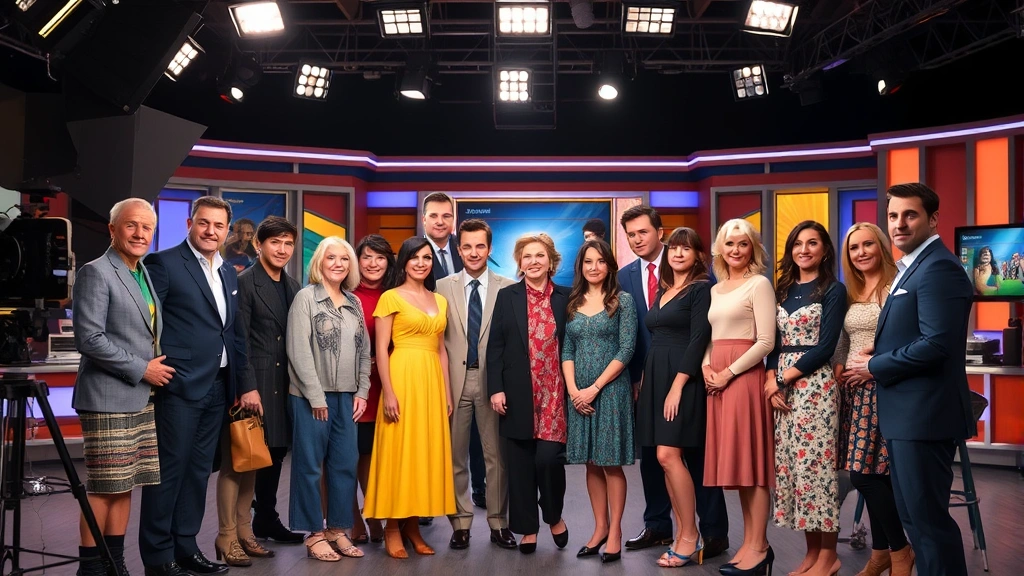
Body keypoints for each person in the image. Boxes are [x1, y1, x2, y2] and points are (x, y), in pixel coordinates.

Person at [847, 183, 975, 576]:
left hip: (925, 416)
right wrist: (879, 353)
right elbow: (915, 335)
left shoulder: (938, 267)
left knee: (929, 526)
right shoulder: (914, 266)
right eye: (892, 216)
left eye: (910, 215)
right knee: (917, 524)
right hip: (905, 417)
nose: (899, 224)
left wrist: (876, 365)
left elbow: (937, 343)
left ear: (933, 219)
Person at [140, 196, 254, 576]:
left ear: (227, 230)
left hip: (220, 386)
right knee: (170, 471)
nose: (211, 231)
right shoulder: (165, 263)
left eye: (219, 226)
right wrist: (147, 365)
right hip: (179, 384)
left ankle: (186, 549)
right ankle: (158, 558)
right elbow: (145, 322)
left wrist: (243, 383)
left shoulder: (227, 271)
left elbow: (234, 332)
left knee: (198, 472)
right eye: (204, 223)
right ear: (190, 223)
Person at [618, 206, 729, 557]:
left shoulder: (699, 278)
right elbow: (632, 332)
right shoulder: (625, 277)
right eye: (631, 234)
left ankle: (711, 532)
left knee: (693, 456)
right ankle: (659, 526)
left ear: (659, 232)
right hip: (648, 376)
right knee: (654, 458)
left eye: (642, 232)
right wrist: (638, 377)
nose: (637, 239)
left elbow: (703, 334)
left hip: (687, 373)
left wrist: (693, 376)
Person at [72, 198, 170, 576]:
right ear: (113, 230)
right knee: (103, 486)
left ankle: (116, 565)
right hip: (108, 397)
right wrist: (142, 369)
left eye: (147, 227)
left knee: (126, 484)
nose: (140, 233)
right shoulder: (96, 271)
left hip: (140, 399)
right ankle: (92, 569)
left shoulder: (140, 271)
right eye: (131, 225)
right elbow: (90, 338)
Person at [216, 217, 302, 567]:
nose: (281, 250)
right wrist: (247, 386)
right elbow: (239, 341)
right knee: (239, 462)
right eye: (275, 243)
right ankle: (227, 536)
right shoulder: (244, 282)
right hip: (256, 385)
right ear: (258, 245)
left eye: (287, 244)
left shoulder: (293, 286)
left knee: (263, 460)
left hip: (284, 385)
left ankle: (248, 531)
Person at [363, 237, 456, 558]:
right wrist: (388, 392)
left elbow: (441, 350)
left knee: (422, 454)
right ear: (403, 261)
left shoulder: (439, 300)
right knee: (398, 453)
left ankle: (413, 526)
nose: (421, 263)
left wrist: (446, 392)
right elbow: (381, 349)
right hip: (402, 379)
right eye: (415, 257)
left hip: (430, 383)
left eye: (427, 257)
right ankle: (391, 527)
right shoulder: (390, 297)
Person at [765, 221, 847, 576]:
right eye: (798, 243)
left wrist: (782, 378)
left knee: (818, 470)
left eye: (812, 243)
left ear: (824, 250)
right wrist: (771, 381)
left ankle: (829, 556)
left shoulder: (833, 289)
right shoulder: (781, 289)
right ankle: (812, 554)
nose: (804, 249)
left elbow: (825, 347)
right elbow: (772, 342)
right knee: (795, 470)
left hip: (815, 385)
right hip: (782, 387)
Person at [832, 222, 914, 576]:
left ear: (882, 246)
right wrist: (838, 369)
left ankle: (900, 550)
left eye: (868, 244)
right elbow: (844, 340)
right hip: (854, 395)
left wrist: (873, 367)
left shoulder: (896, 287)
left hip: (885, 390)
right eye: (854, 248)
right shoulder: (853, 291)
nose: (861, 252)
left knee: (865, 476)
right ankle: (881, 554)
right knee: (873, 475)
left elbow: (907, 337)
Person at [286, 236, 370, 562]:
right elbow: (298, 350)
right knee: (309, 467)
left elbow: (364, 352)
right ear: (319, 262)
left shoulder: (355, 302)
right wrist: (316, 395)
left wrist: (362, 392)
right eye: (331, 257)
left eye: (344, 259)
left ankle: (337, 528)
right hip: (310, 398)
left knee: (345, 464)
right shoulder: (306, 298)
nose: (338, 264)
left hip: (346, 397)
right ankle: (314, 533)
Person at [436, 219, 518, 550]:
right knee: (455, 456)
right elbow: (437, 341)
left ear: (490, 248)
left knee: (495, 456)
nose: (473, 252)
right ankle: (460, 523)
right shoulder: (442, 287)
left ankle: (499, 523)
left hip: (493, 382)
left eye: (480, 246)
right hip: (454, 380)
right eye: (467, 246)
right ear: (459, 250)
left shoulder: (509, 286)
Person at [487, 233, 571, 555]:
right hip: (518, 394)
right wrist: (496, 388)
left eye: (539, 255)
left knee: (549, 461)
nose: (533, 261)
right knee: (520, 464)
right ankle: (527, 529)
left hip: (554, 394)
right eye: (526, 257)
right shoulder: (507, 297)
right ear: (519, 264)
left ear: (550, 260)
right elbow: (495, 347)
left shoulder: (566, 297)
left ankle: (553, 515)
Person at [702, 218, 776, 576]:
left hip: (743, 381)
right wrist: (705, 366)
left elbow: (766, 341)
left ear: (753, 249)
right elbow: (712, 336)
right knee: (738, 470)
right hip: (716, 382)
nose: (735, 250)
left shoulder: (759, 284)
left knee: (753, 468)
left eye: (743, 244)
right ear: (720, 248)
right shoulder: (717, 289)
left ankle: (760, 546)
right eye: (729, 244)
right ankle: (749, 543)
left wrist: (728, 373)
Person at [636, 227, 714, 568]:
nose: (679, 253)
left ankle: (690, 535)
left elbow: (698, 339)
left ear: (698, 254)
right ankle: (684, 533)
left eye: (687, 248)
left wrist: (678, 385)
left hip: (681, 377)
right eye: (675, 248)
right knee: (663, 458)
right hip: (655, 376)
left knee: (669, 456)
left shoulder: (701, 289)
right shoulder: (665, 289)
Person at [562, 239, 636, 563]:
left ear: (610, 265)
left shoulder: (623, 301)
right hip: (579, 395)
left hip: (611, 391)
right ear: (581, 266)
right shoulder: (572, 302)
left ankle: (616, 531)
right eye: (588, 261)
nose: (594, 267)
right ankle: (599, 527)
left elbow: (627, 349)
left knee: (610, 462)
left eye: (600, 261)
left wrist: (594, 387)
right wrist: (573, 390)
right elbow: (566, 350)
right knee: (590, 462)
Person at [421, 192, 486, 516]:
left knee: (476, 439)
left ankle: (479, 491)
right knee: (437, 440)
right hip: (432, 361)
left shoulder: (463, 255)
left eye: (447, 216)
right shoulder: (417, 254)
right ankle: (432, 501)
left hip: (474, 365)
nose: (440, 221)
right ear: (424, 220)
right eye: (434, 216)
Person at [350, 234, 395, 545]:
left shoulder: (395, 295)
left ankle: (375, 514)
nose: (373, 263)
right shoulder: (346, 294)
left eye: (380, 258)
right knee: (342, 457)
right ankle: (349, 517)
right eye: (367, 257)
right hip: (353, 386)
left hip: (387, 386)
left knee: (370, 454)